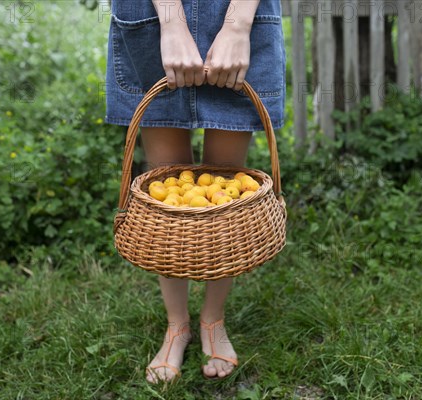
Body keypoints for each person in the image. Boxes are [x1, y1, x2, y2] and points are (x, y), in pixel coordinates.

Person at [105, 0, 286, 383]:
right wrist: (171, 22)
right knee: (164, 188)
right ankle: (177, 324)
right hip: (155, 12)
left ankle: (212, 319)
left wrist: (237, 25)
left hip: (238, 9)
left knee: (228, 192)